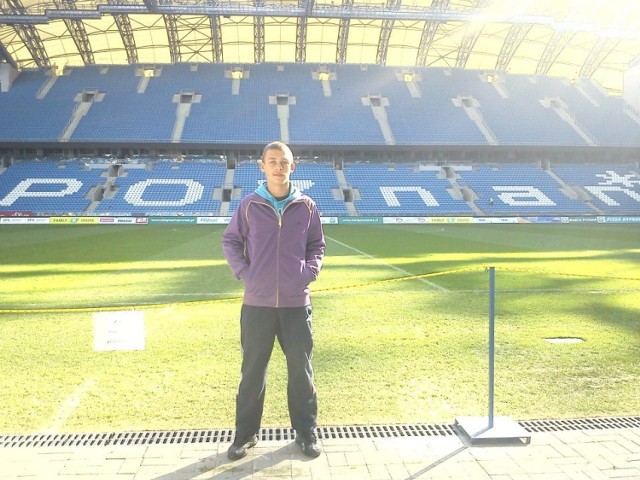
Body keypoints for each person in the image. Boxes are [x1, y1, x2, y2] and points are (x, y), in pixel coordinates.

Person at [222, 141, 326, 460]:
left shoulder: (307, 206)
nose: (278, 166)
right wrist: (246, 273)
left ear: (293, 167)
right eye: (272, 161)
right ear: (262, 166)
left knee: (301, 371)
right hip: (257, 304)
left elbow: (317, 246)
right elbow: (231, 240)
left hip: (296, 304)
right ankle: (245, 435)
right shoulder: (249, 205)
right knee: (253, 372)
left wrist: (307, 273)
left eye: (284, 161)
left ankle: (306, 433)